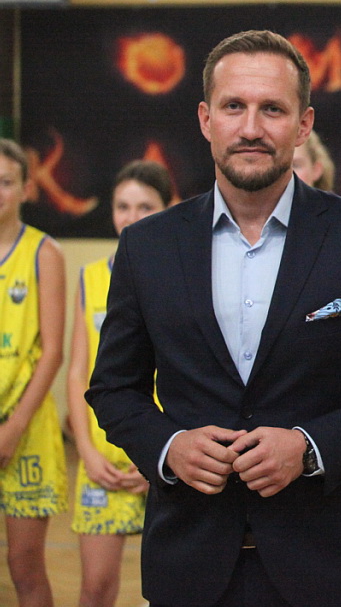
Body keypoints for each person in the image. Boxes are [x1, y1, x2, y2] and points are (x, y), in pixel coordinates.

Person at [86, 29, 341, 607]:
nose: (251, 128)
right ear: (206, 119)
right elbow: (113, 389)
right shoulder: (147, 247)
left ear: (303, 125)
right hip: (189, 564)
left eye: (272, 109)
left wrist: (310, 447)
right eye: (234, 107)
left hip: (330, 566)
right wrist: (169, 446)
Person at [66, 161, 171, 607]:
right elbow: (78, 371)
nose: (131, 217)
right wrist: (87, 453)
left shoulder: (182, 276)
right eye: (122, 206)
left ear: (169, 208)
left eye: (145, 206)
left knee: (171, 591)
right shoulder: (91, 277)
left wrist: (162, 456)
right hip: (104, 463)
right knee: (95, 589)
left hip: (165, 462)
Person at [0, 139, 68, 607]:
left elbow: (53, 353)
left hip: (24, 430)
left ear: (26, 188)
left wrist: (13, 428)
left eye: (6, 182)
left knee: (24, 566)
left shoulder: (44, 252)